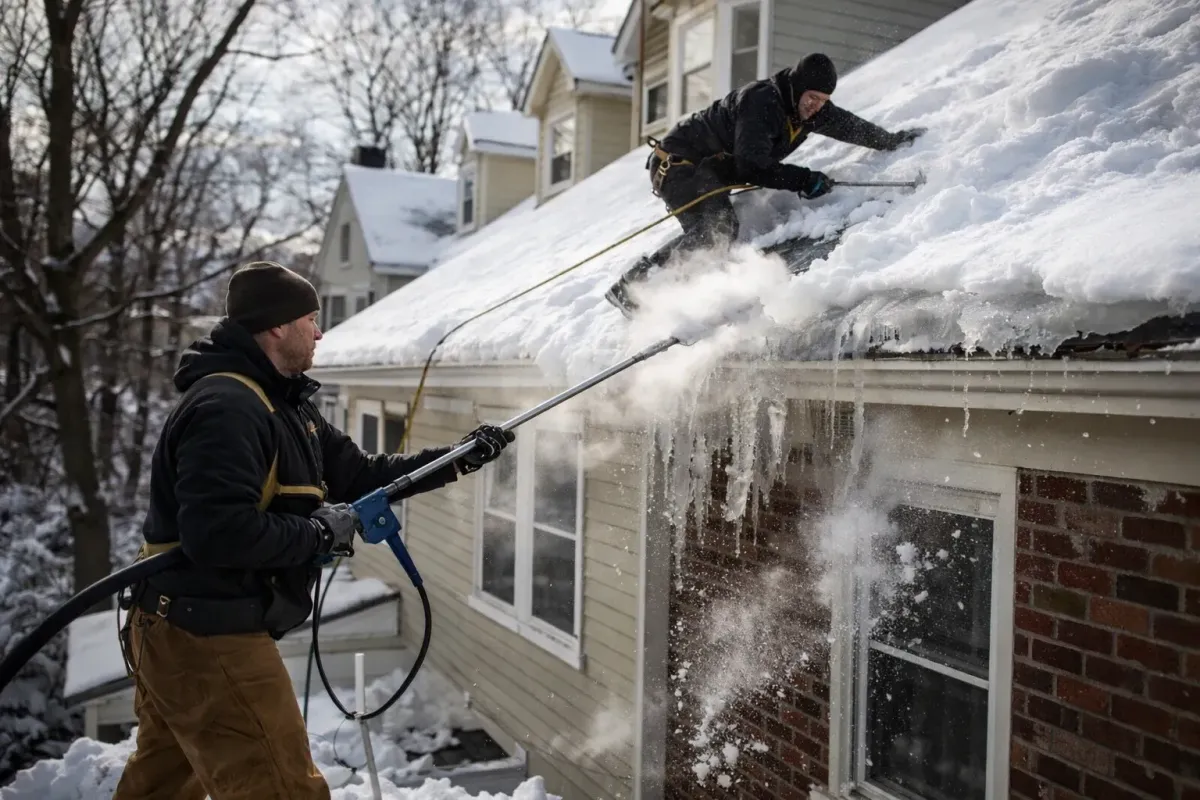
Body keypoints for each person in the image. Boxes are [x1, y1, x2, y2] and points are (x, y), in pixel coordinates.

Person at [112, 261, 514, 800]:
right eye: (310, 319)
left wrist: (458, 458)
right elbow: (218, 533)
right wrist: (320, 535)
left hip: (184, 627)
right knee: (281, 787)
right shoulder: (228, 408)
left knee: (161, 784)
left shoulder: (284, 405)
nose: (320, 332)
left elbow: (363, 474)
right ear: (276, 326)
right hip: (204, 634)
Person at [604, 53, 924, 318]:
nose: (816, 106)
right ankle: (635, 290)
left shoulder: (810, 110)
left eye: (823, 100)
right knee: (716, 231)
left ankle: (662, 293)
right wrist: (803, 179)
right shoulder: (763, 102)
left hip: (712, 169)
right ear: (797, 88)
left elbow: (848, 126)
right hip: (681, 163)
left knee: (715, 232)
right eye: (812, 97)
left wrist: (890, 141)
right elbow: (751, 166)